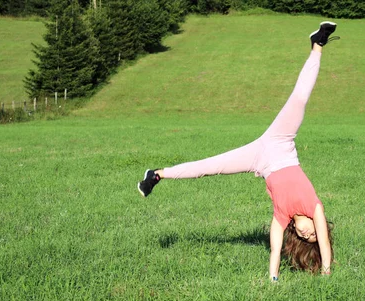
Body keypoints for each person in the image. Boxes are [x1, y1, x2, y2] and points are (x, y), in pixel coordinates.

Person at [138, 22, 340, 282]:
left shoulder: (281, 217)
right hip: (281, 142)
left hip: (260, 160)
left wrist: (274, 279)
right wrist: (326, 270)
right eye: (311, 233)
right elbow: (324, 240)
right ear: (315, 225)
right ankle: (318, 45)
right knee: (299, 99)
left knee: (209, 167)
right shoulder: (315, 208)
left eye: (304, 238)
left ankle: (156, 175)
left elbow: (275, 251)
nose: (307, 234)